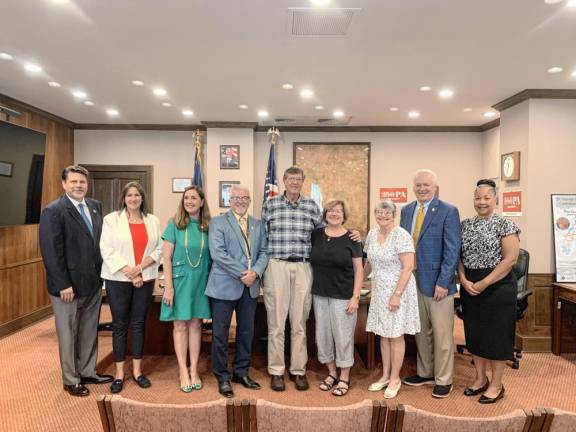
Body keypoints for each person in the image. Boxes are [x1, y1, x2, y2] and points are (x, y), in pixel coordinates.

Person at [39, 165, 113, 397]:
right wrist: (62, 284)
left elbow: (98, 244)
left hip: (92, 283)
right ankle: (71, 379)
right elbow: (51, 251)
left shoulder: (94, 206)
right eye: (73, 182)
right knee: (68, 333)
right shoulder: (53, 210)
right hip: (67, 287)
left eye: (82, 182)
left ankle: (88, 370)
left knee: (89, 330)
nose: (78, 185)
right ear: (64, 184)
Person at [457, 179, 520, 404]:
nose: (481, 202)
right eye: (477, 197)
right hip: (470, 285)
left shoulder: (505, 224)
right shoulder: (464, 225)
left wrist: (485, 283)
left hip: (498, 286)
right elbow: (459, 257)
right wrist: (463, 279)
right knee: (475, 334)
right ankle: (480, 379)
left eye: (486, 197)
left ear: (496, 199)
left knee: (497, 337)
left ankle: (496, 384)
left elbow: (510, 259)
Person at [400, 169, 461, 399]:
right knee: (421, 330)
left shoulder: (448, 211)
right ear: (413, 187)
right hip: (412, 280)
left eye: (426, 185)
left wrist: (444, 281)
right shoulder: (406, 211)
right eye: (418, 185)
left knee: (442, 333)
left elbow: (452, 249)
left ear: (435, 187)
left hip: (438, 283)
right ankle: (425, 372)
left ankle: (444, 379)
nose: (422, 189)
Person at [261, 166, 323, 391]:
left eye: (299, 179)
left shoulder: (311, 206)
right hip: (277, 265)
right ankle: (276, 371)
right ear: (284, 181)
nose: (295, 183)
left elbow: (323, 236)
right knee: (276, 323)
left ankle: (298, 370)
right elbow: (262, 239)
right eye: (291, 179)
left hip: (303, 267)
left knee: (299, 323)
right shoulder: (271, 205)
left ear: (303, 182)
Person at [205, 185, 269, 398]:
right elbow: (218, 254)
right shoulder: (218, 222)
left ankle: (241, 372)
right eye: (236, 198)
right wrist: (244, 272)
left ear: (250, 201)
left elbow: (264, 251)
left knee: (246, 332)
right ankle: (222, 376)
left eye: (244, 198)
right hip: (224, 286)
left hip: (250, 287)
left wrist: (256, 272)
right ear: (229, 200)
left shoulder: (258, 224)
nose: (240, 201)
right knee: (220, 334)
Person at [100, 181, 162, 393]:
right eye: (129, 195)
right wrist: (130, 271)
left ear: (142, 198)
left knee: (138, 324)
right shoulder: (111, 219)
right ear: (123, 198)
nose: (133, 198)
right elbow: (106, 249)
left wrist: (140, 270)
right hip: (118, 279)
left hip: (145, 278)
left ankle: (137, 371)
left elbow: (159, 249)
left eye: (137, 195)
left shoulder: (152, 220)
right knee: (120, 324)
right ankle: (119, 373)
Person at [364, 200, 420, 399]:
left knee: (395, 335)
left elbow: (408, 267)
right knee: (383, 334)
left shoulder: (401, 235)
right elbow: (369, 263)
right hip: (379, 291)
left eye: (387, 213)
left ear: (394, 214)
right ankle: (386, 375)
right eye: (379, 212)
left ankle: (395, 378)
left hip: (399, 290)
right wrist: (359, 282)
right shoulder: (372, 234)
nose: (383, 216)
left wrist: (396, 295)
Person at [160, 185, 211, 392]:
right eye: (186, 198)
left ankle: (194, 370)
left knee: (196, 325)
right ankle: (183, 370)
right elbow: (166, 258)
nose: (189, 201)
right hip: (180, 282)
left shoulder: (208, 226)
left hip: (201, 281)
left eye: (193, 198)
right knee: (180, 325)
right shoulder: (174, 224)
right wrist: (169, 288)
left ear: (201, 201)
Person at [310, 200, 363, 397]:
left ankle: (344, 377)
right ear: (325, 213)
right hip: (320, 294)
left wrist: (355, 297)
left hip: (344, 295)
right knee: (322, 336)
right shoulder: (316, 235)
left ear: (344, 215)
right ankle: (332, 373)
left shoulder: (353, 237)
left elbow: (359, 269)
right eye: (331, 210)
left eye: (338, 211)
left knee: (343, 337)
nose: (334, 214)